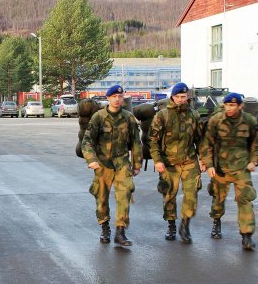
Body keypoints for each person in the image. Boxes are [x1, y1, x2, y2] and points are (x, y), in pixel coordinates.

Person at [199, 92, 258, 251]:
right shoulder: (216, 120)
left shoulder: (249, 121)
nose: (229, 108)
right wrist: (209, 165)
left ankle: (247, 235)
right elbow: (206, 144)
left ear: (240, 106)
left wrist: (254, 161)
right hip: (221, 167)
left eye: (233, 105)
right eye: (227, 105)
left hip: (241, 168)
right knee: (218, 200)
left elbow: (257, 145)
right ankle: (216, 221)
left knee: (245, 200)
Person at [82, 85, 142, 246]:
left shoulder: (128, 117)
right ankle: (105, 227)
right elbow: (87, 141)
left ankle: (120, 232)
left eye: (120, 97)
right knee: (101, 198)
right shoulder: (98, 117)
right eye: (114, 96)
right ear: (108, 98)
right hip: (102, 165)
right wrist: (91, 160)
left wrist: (137, 164)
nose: (117, 99)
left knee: (124, 196)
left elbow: (136, 142)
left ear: (123, 98)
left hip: (122, 163)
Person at [148, 82, 205, 243]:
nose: (181, 99)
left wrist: (204, 160)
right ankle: (171, 224)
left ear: (188, 97)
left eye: (184, 97)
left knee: (191, 194)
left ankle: (185, 225)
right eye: (178, 97)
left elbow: (200, 140)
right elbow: (152, 140)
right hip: (169, 162)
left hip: (189, 161)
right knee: (169, 194)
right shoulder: (162, 115)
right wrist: (157, 160)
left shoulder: (194, 115)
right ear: (173, 97)